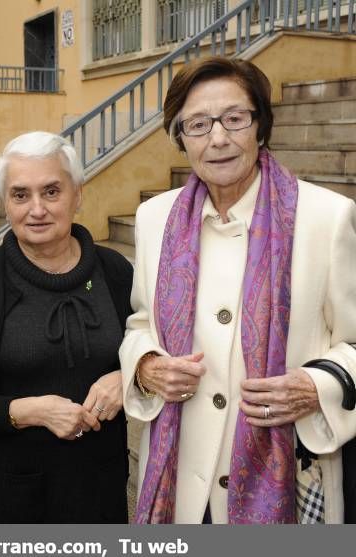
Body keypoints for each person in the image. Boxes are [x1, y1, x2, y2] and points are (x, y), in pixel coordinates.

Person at [120, 57, 356, 524]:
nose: (218, 138)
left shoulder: (327, 218)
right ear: (181, 137)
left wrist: (317, 386)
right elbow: (141, 325)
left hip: (287, 474)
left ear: (260, 127)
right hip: (181, 479)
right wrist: (147, 367)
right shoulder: (154, 219)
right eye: (198, 124)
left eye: (234, 119)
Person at [0, 131, 132, 523]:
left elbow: (150, 357)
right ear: (5, 203)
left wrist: (128, 375)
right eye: (20, 195)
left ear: (77, 194)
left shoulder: (116, 272)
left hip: (99, 492)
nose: (37, 209)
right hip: (6, 497)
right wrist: (27, 412)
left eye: (51, 192)